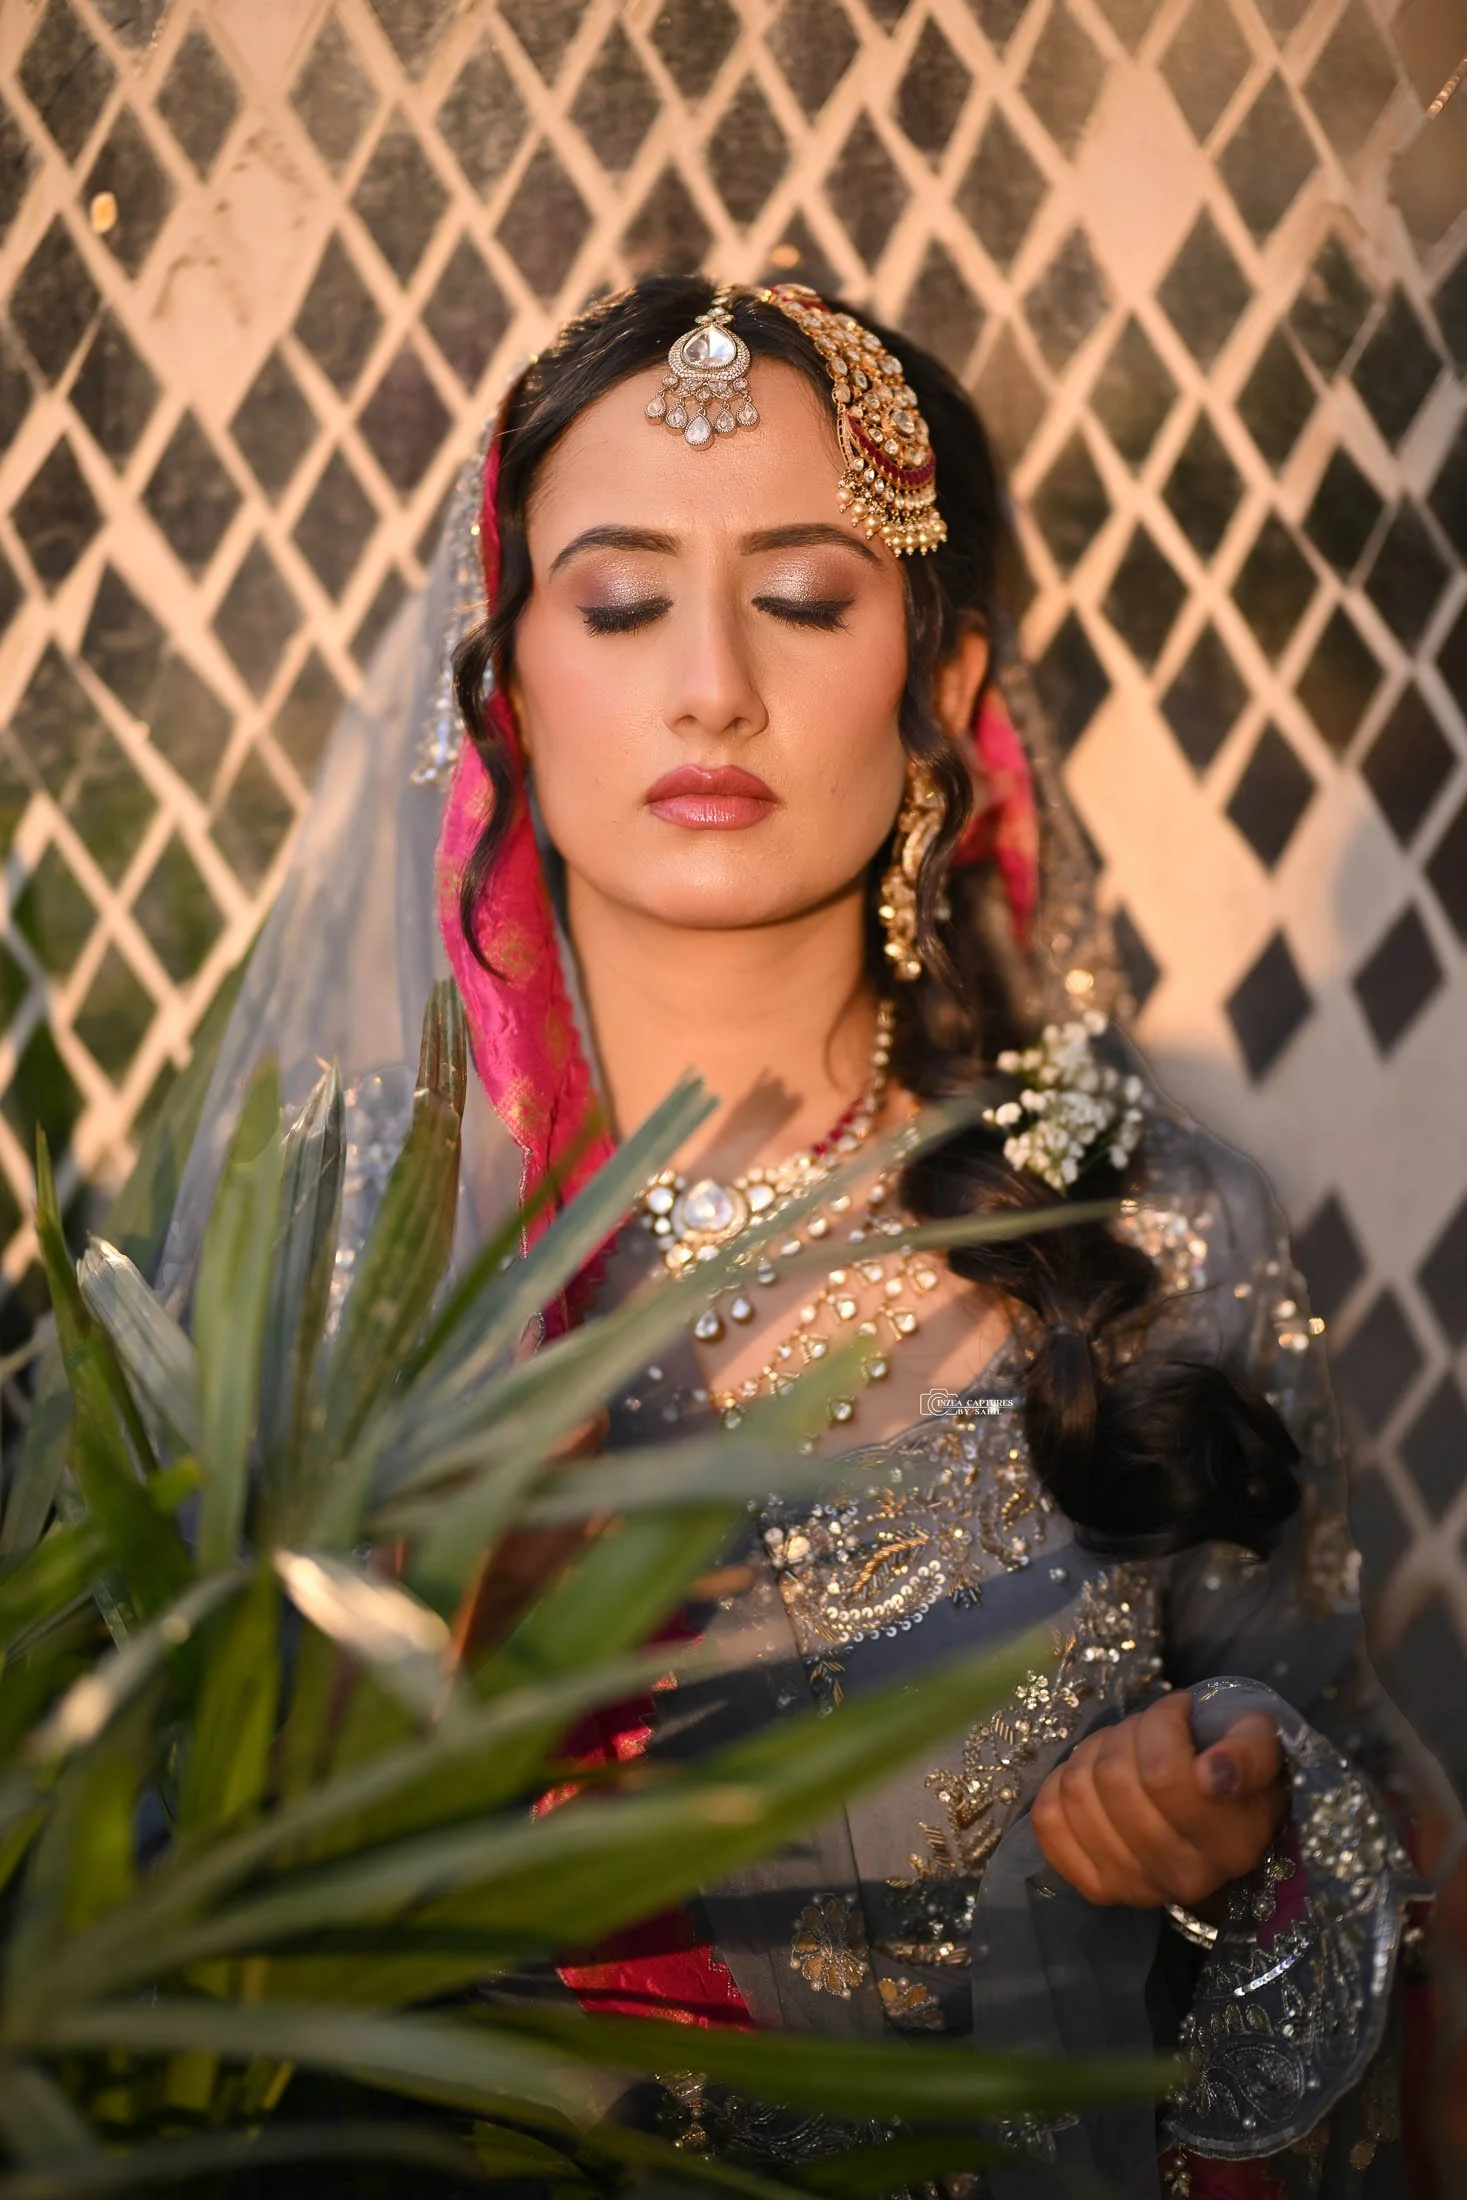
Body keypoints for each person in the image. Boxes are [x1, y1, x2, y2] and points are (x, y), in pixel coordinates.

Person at [160, 275, 1437, 2197]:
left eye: (802, 597)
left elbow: (1360, 1874)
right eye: (616, 600)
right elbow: (141, 1942)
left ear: (938, 682)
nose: (709, 687)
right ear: (499, 680)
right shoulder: (359, 1270)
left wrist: (1231, 1835)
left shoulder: (1145, 1230)